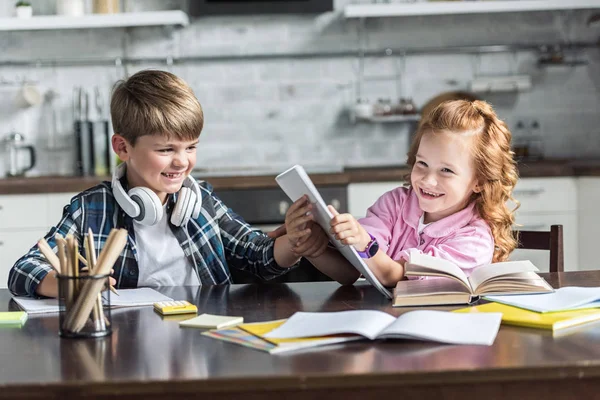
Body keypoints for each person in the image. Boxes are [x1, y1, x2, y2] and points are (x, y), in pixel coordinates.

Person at [8, 69, 330, 298]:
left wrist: (296, 243)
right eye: (166, 150)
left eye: (191, 147)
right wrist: (71, 284)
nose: (182, 162)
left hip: (202, 339)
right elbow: (24, 269)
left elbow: (257, 255)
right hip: (127, 345)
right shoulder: (91, 209)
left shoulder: (200, 200)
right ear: (122, 148)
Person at [286, 99, 519, 287]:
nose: (428, 180)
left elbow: (392, 276)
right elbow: (353, 272)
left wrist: (364, 242)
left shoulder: (474, 241)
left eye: (446, 170)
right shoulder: (395, 203)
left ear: (478, 181)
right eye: (422, 164)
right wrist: (312, 249)